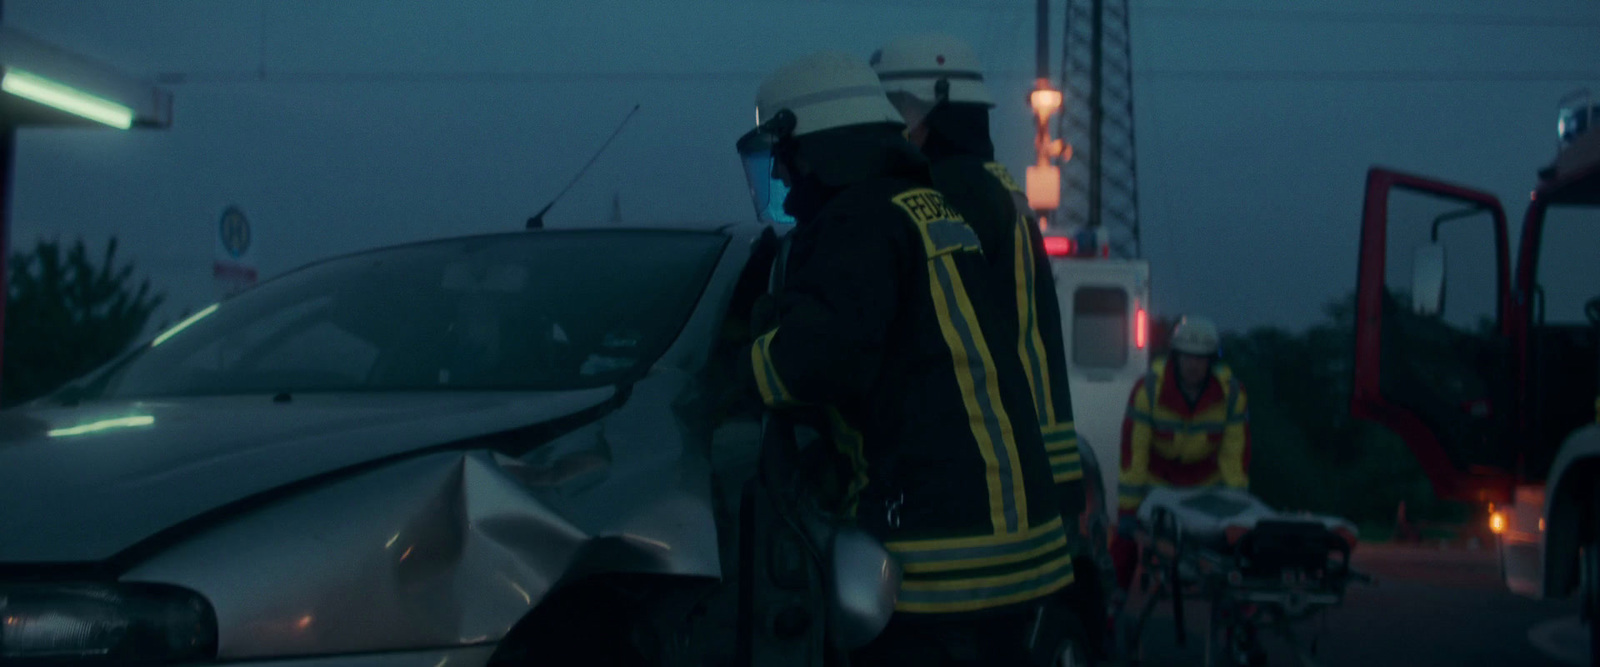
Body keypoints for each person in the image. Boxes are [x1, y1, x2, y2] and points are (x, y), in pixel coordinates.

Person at [738, 51, 1074, 665]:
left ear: (812, 146)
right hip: (1021, 553)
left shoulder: (855, 223)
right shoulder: (925, 208)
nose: (783, 180)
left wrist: (748, 349)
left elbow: (813, 365)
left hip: (938, 559)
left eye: (784, 160)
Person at [871, 32, 1100, 656]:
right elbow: (1034, 357)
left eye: (897, 114)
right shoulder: (1005, 197)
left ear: (928, 112)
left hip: (956, 513)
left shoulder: (939, 201)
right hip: (1025, 510)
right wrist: (1061, 494)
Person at [1110, 315, 1254, 657]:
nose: (1194, 364)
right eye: (1188, 356)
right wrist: (1129, 513)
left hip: (1207, 494)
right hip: (1159, 491)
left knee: (1237, 551)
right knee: (1124, 543)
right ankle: (1110, 611)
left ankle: (1240, 620)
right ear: (1175, 356)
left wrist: (1234, 515)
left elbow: (1236, 460)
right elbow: (1134, 456)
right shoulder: (1147, 392)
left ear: (1211, 360)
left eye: (1201, 357)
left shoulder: (1232, 396)